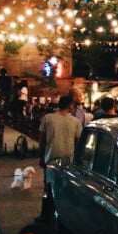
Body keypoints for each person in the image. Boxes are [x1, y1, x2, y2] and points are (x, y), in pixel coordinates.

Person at [38, 94, 83, 222]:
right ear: (70, 105)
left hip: (51, 160)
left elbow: (42, 141)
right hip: (68, 162)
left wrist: (41, 157)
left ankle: (46, 215)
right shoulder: (75, 122)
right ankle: (64, 215)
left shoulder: (48, 118)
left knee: (48, 189)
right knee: (65, 189)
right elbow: (78, 143)